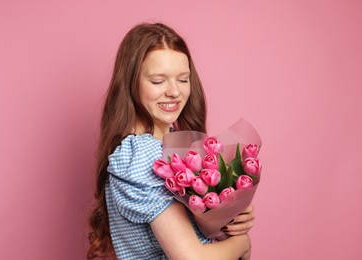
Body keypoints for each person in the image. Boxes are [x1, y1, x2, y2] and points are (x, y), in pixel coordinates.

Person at [88, 22, 255, 260]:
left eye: (183, 79)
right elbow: (191, 257)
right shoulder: (142, 155)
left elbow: (201, 237)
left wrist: (230, 218)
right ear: (131, 84)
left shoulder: (171, 149)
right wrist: (242, 243)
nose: (174, 92)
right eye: (158, 81)